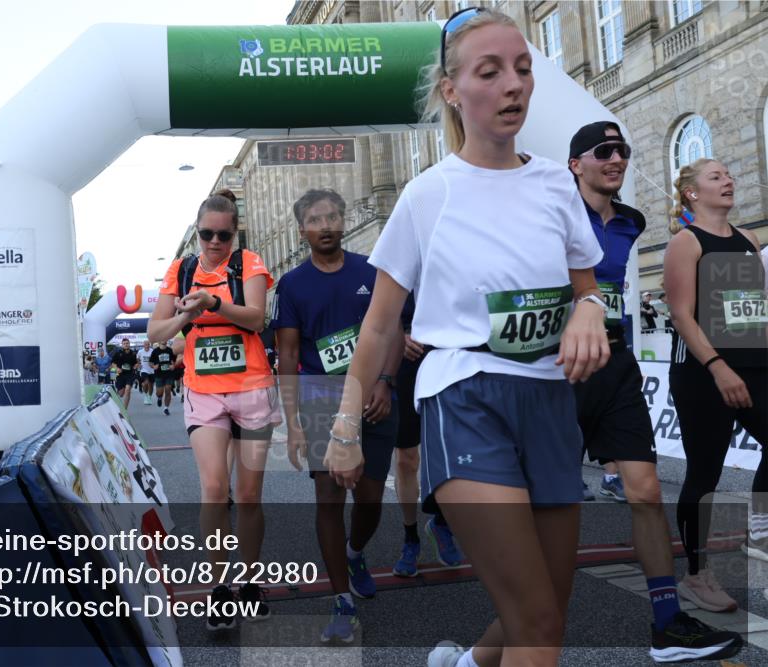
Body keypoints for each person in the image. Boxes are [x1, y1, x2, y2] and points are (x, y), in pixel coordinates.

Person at [324, 9, 611, 666]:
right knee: (538, 621)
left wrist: (590, 311)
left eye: (523, 69)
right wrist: (344, 426)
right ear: (451, 90)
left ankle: (465, 663)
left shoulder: (555, 183)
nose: (513, 85)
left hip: (550, 400)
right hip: (465, 395)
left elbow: (587, 287)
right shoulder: (427, 195)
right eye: (490, 72)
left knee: (545, 607)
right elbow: (378, 324)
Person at [568, 122, 741, 661]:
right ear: (575, 164)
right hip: (560, 368)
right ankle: (516, 625)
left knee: (645, 492)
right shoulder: (551, 216)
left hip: (616, 364)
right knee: (549, 504)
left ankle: (667, 621)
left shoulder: (631, 222)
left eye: (622, 150)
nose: (616, 158)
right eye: (604, 151)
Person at [274, 188, 402, 643]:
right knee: (328, 501)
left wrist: (385, 382)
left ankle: (355, 551)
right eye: (314, 220)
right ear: (302, 230)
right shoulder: (291, 285)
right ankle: (341, 600)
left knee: (370, 500)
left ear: (344, 220)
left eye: (331, 217)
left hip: (372, 396)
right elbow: (288, 355)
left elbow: (393, 331)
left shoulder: (371, 270)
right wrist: (293, 422)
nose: (325, 226)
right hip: (320, 398)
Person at [148, 188, 280, 631]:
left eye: (224, 235)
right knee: (214, 488)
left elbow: (257, 318)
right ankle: (219, 588)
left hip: (252, 389)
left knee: (248, 495)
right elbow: (155, 332)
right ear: (197, 233)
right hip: (203, 392)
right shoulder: (181, 270)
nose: (215, 243)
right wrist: (186, 317)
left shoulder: (249, 264)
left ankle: (250, 581)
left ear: (234, 234)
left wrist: (213, 303)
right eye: (207, 234)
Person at [664, 159, 768, 608]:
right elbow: (681, 315)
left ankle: (759, 527)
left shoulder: (750, 239)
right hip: (701, 373)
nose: (728, 180)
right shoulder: (685, 242)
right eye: (716, 177)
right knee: (704, 473)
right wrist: (718, 366)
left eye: (729, 174)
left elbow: (754, 309)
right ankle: (696, 574)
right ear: (692, 192)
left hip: (755, 365)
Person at [392, 295, 462, 576]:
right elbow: (375, 313)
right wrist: (398, 337)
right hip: (406, 361)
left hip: (448, 356)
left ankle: (441, 522)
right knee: (407, 458)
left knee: (448, 450)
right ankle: (410, 537)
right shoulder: (392, 266)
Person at [149, 340, 175, 415]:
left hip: (169, 373)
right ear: (159, 341)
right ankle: (159, 398)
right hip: (159, 374)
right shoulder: (155, 351)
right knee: (159, 392)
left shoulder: (170, 350)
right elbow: (150, 363)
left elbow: (174, 361)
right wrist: (154, 366)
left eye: (165, 339)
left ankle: (166, 408)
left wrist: (173, 366)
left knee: (168, 390)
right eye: (162, 339)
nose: (163, 340)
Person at [110, 337, 138, 407]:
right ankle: (116, 397)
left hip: (130, 374)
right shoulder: (118, 353)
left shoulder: (133, 353)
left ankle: (125, 409)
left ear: (129, 344)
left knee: (128, 390)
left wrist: (136, 366)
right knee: (121, 394)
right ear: (122, 345)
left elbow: (136, 363)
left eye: (127, 343)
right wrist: (117, 368)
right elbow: (113, 363)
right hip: (120, 375)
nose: (126, 345)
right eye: (124, 344)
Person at [138, 340, 156, 405]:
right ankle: (145, 395)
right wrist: (139, 364)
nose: (147, 345)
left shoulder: (152, 351)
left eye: (148, 344)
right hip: (144, 370)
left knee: (151, 385)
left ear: (149, 345)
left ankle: (149, 397)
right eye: (145, 344)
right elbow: (137, 358)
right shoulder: (140, 352)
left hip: (152, 371)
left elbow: (156, 359)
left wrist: (154, 365)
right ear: (143, 345)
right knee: (146, 382)